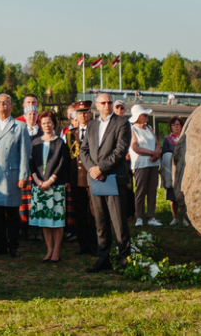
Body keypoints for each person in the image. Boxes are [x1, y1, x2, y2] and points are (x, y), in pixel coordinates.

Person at [80, 91, 132, 273]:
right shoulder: (92, 125)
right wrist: (92, 169)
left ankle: (124, 260)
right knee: (100, 221)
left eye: (109, 102)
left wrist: (101, 168)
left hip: (113, 178)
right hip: (95, 179)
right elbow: (83, 149)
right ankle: (103, 259)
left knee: (118, 222)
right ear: (97, 105)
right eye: (103, 103)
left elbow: (120, 150)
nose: (107, 105)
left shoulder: (122, 123)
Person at [0, 94, 30, 259]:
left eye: (6, 102)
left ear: (11, 106)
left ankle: (14, 246)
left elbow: (25, 154)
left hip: (12, 175)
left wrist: (23, 175)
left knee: (12, 212)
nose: (2, 104)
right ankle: (0, 245)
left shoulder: (20, 126)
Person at [28, 110, 68, 262]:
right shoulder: (35, 142)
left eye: (49, 123)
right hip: (39, 186)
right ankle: (49, 250)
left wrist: (50, 181)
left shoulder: (60, 143)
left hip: (55, 187)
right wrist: (38, 181)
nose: (46, 126)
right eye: (43, 123)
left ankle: (57, 251)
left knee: (56, 222)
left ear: (54, 124)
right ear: (40, 124)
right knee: (45, 221)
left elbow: (62, 164)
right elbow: (31, 163)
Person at [66, 103, 97, 256]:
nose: (83, 116)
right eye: (80, 113)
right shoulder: (70, 134)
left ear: (90, 114)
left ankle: (95, 244)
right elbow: (68, 158)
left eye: (86, 113)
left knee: (94, 213)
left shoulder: (97, 131)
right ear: (75, 116)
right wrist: (67, 179)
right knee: (79, 213)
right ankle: (83, 245)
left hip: (92, 177)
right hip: (76, 179)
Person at [128, 105, 161, 227]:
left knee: (152, 190)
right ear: (138, 117)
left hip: (153, 163)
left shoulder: (149, 128)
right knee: (140, 191)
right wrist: (153, 153)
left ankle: (151, 216)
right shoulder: (132, 129)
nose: (147, 117)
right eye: (144, 115)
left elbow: (156, 142)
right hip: (141, 164)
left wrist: (156, 154)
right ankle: (139, 217)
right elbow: (135, 147)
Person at [160, 117, 186, 226]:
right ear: (171, 127)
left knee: (184, 194)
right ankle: (175, 217)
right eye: (173, 125)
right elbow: (165, 153)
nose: (176, 127)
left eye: (178, 124)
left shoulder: (185, 137)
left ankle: (185, 218)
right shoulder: (167, 139)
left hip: (184, 169)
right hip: (171, 169)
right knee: (172, 196)